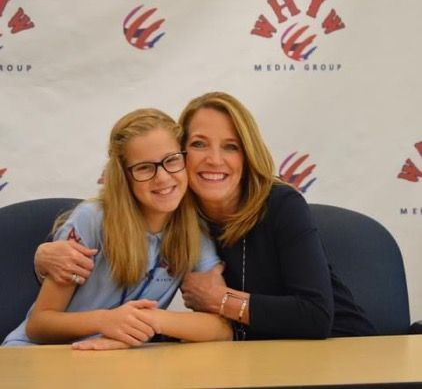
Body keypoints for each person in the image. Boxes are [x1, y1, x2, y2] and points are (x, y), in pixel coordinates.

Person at [33, 92, 377, 346]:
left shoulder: (280, 204)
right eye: (199, 144)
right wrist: (43, 256)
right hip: (252, 355)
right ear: (182, 154)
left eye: (231, 146)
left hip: (333, 347)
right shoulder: (180, 212)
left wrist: (218, 301)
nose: (214, 159)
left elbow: (313, 318)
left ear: (247, 154)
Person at [2, 108, 232, 348]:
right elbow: (39, 325)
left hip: (112, 360)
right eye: (144, 167)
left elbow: (220, 329)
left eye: (171, 160)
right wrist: (104, 321)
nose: (163, 178)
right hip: (42, 355)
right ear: (124, 176)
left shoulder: (194, 229)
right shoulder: (91, 220)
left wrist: (150, 319)